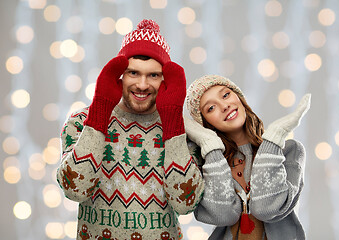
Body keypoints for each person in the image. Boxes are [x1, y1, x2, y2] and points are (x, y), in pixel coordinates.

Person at [57, 19, 204, 240]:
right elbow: (75, 189)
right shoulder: (80, 122)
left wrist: (173, 123)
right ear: (120, 75)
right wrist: (99, 112)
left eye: (153, 75)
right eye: (133, 73)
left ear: (165, 78)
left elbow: (185, 204)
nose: (142, 85)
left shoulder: (185, 131)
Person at [185, 75, 310, 240]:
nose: (224, 106)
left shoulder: (289, 151)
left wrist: (275, 136)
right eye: (211, 108)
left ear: (239, 98)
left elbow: (267, 209)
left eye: (226, 95)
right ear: (205, 123)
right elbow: (222, 215)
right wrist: (210, 145)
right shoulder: (207, 164)